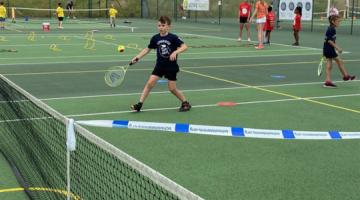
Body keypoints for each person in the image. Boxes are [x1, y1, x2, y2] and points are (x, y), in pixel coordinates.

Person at [130, 15, 191, 112]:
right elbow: (147, 49)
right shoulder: (155, 38)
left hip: (171, 67)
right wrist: (137, 57)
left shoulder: (173, 37)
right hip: (159, 66)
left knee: (172, 89)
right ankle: (139, 104)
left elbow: (184, 47)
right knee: (149, 83)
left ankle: (186, 103)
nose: (161, 27)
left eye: (163, 25)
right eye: (159, 25)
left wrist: (175, 52)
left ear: (168, 27)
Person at [323, 15, 356, 88]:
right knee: (340, 62)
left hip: (327, 49)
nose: (339, 23)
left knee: (329, 66)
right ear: (333, 21)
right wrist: (337, 48)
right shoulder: (332, 29)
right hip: (330, 49)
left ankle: (327, 82)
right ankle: (346, 77)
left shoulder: (329, 28)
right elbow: (329, 41)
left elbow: (325, 40)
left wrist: (324, 51)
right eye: (338, 21)